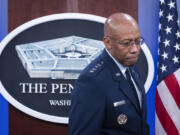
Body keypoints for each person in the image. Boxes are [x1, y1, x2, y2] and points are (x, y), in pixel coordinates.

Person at [68, 13, 149, 135]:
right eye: (126, 43)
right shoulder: (92, 81)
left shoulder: (130, 67)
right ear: (108, 42)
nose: (135, 50)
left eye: (138, 41)